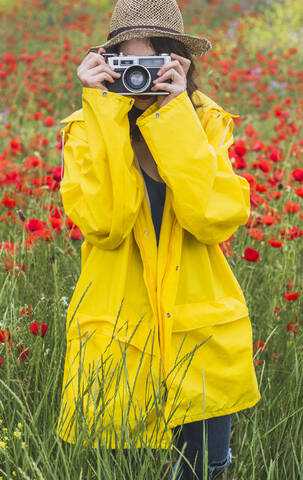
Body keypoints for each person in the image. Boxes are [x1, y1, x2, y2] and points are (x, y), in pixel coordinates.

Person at [56, 0, 261, 479]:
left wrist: (174, 118)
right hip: (119, 341)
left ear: (178, 65)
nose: (139, 80)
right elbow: (106, 224)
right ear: (107, 66)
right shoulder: (88, 129)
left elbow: (213, 217)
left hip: (200, 338)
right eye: (128, 66)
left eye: (152, 66)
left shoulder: (206, 124)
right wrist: (103, 111)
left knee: (205, 471)